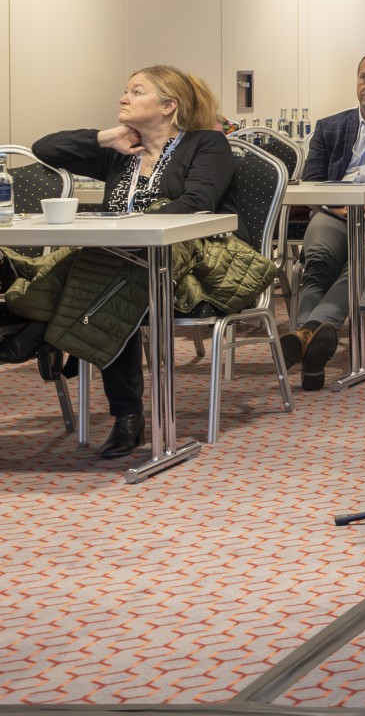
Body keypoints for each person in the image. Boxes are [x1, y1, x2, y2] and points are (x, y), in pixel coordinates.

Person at [28, 67, 237, 458]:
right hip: (116, 261)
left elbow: (197, 203)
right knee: (101, 279)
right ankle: (71, 347)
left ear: (169, 105)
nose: (123, 98)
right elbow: (44, 148)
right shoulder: (121, 151)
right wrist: (107, 137)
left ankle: (114, 401)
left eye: (137, 92)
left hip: (186, 262)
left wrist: (128, 228)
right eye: (126, 91)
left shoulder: (206, 143)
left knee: (110, 286)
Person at [281, 51, 365, 392]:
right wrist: (336, 207)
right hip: (334, 211)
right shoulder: (330, 126)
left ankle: (306, 333)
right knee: (318, 258)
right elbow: (312, 180)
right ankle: (315, 339)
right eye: (364, 76)